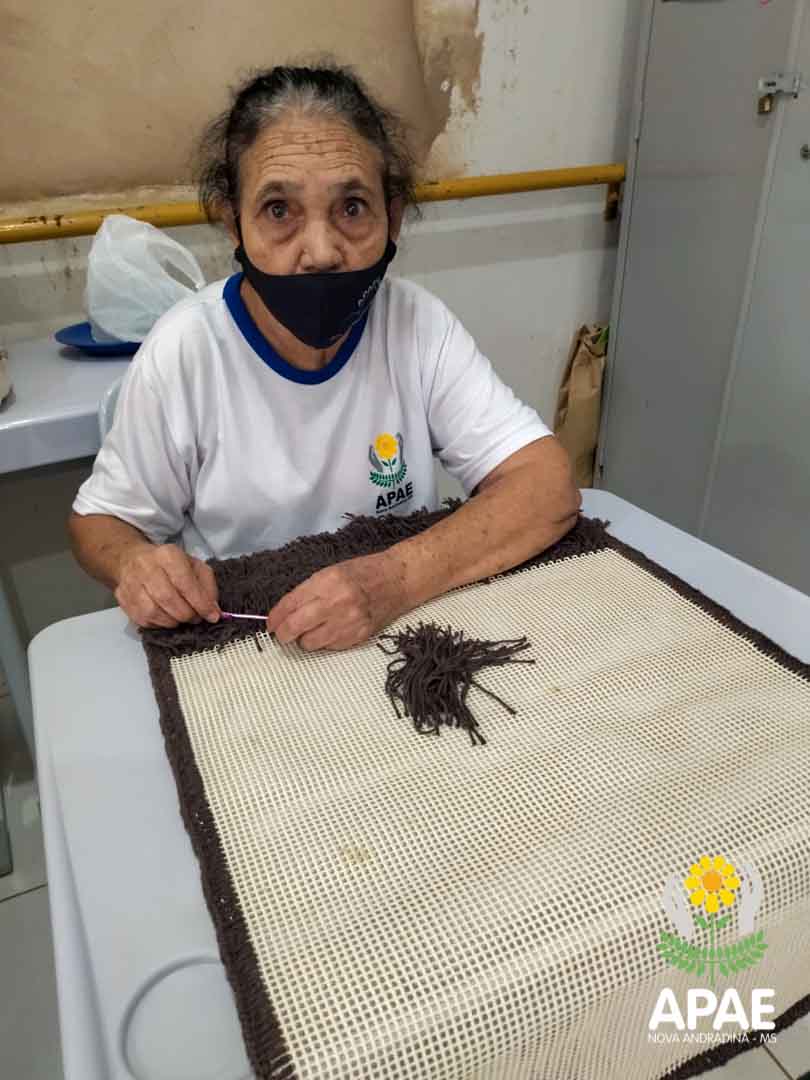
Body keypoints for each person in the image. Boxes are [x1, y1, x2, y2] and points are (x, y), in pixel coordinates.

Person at [68, 63, 580, 651]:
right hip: (246, 643)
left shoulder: (417, 324)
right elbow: (99, 522)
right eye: (278, 210)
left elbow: (546, 485)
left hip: (398, 633)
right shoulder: (185, 349)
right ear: (234, 223)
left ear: (393, 216)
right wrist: (135, 563)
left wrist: (393, 580)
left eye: (352, 207)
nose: (320, 252)